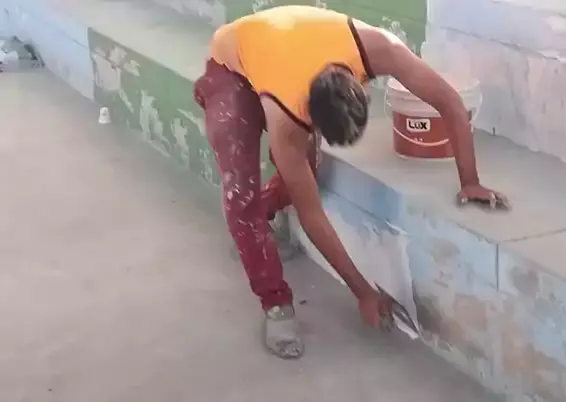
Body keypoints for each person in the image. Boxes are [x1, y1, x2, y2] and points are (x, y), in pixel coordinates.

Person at [193, 5, 509, 359]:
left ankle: (259, 223)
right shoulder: (285, 118)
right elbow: (312, 215)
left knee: (307, 169)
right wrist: (363, 293)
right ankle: (275, 303)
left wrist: (470, 180)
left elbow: (449, 101)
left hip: (285, 47)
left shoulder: (381, 48)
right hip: (231, 64)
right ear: (309, 114)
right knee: (241, 195)